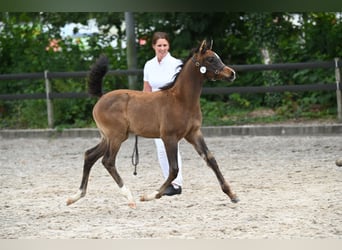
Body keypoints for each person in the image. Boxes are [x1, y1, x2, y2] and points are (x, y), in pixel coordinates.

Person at [143, 31, 183, 196]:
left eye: (165, 45)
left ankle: (177, 183)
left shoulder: (176, 64)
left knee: (172, 145)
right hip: (154, 109)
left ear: (169, 46)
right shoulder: (149, 65)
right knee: (160, 148)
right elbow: (147, 89)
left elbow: (180, 90)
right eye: (159, 45)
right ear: (154, 46)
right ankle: (169, 181)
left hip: (171, 109)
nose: (162, 48)